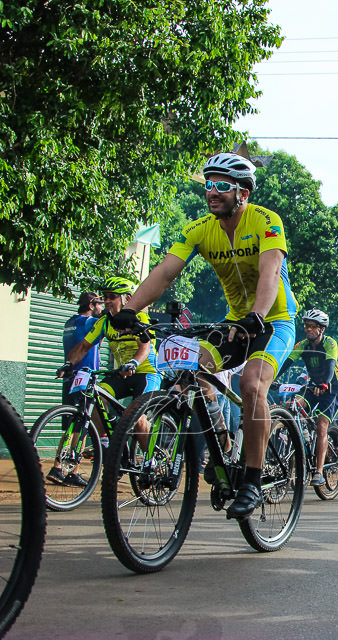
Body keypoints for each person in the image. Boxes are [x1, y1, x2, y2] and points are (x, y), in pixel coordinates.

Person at [111, 152, 297, 520]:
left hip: (274, 319)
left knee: (251, 384)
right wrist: (131, 308)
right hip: (233, 322)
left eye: (222, 186)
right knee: (191, 370)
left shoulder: (266, 221)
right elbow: (165, 273)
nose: (213, 192)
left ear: (243, 193)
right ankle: (225, 447)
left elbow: (270, 272)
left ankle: (252, 482)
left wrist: (257, 315)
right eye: (209, 184)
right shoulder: (200, 229)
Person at [57, 277, 160, 486]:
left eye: (112, 297)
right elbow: (84, 346)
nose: (107, 301)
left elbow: (145, 348)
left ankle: (151, 461)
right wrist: (69, 364)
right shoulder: (105, 322)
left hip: (146, 373)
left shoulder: (139, 318)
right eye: (105, 298)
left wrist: (133, 363)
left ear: (127, 298)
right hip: (122, 374)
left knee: (137, 416)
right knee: (95, 398)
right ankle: (109, 444)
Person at [278, 309, 338, 486]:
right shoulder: (302, 345)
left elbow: (330, 367)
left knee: (322, 425)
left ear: (321, 329)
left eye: (312, 326)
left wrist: (324, 384)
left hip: (331, 388)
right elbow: (286, 363)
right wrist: (271, 377)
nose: (308, 329)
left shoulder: (330, 343)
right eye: (306, 325)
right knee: (293, 406)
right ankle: (298, 446)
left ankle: (319, 472)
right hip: (313, 387)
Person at [61, 291, 103, 408]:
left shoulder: (69, 322)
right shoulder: (90, 322)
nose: (101, 307)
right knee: (85, 418)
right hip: (84, 378)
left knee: (69, 418)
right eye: (99, 304)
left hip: (69, 377)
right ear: (91, 306)